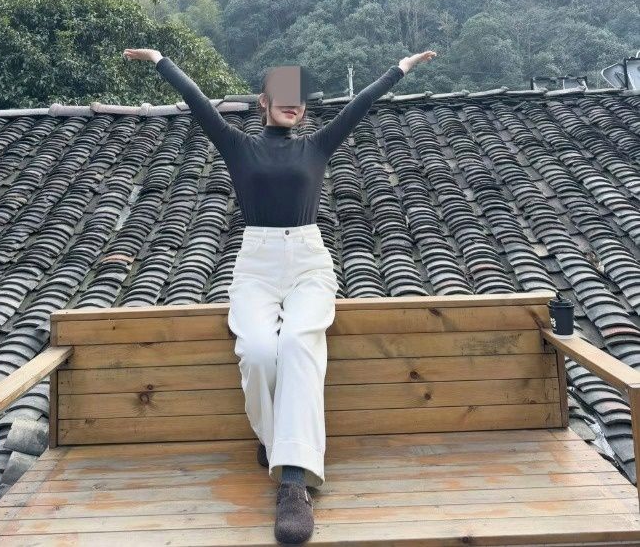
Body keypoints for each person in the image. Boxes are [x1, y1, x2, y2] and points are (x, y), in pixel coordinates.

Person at [122, 46, 437, 544]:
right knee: (257, 351)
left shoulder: (317, 146)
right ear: (264, 102)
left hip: (309, 263)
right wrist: (161, 59)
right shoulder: (237, 146)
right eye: (283, 96)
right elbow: (197, 100)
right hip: (257, 265)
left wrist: (400, 68)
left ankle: (294, 482)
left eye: (300, 98)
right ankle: (275, 442)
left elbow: (361, 104)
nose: (294, 104)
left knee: (296, 345)